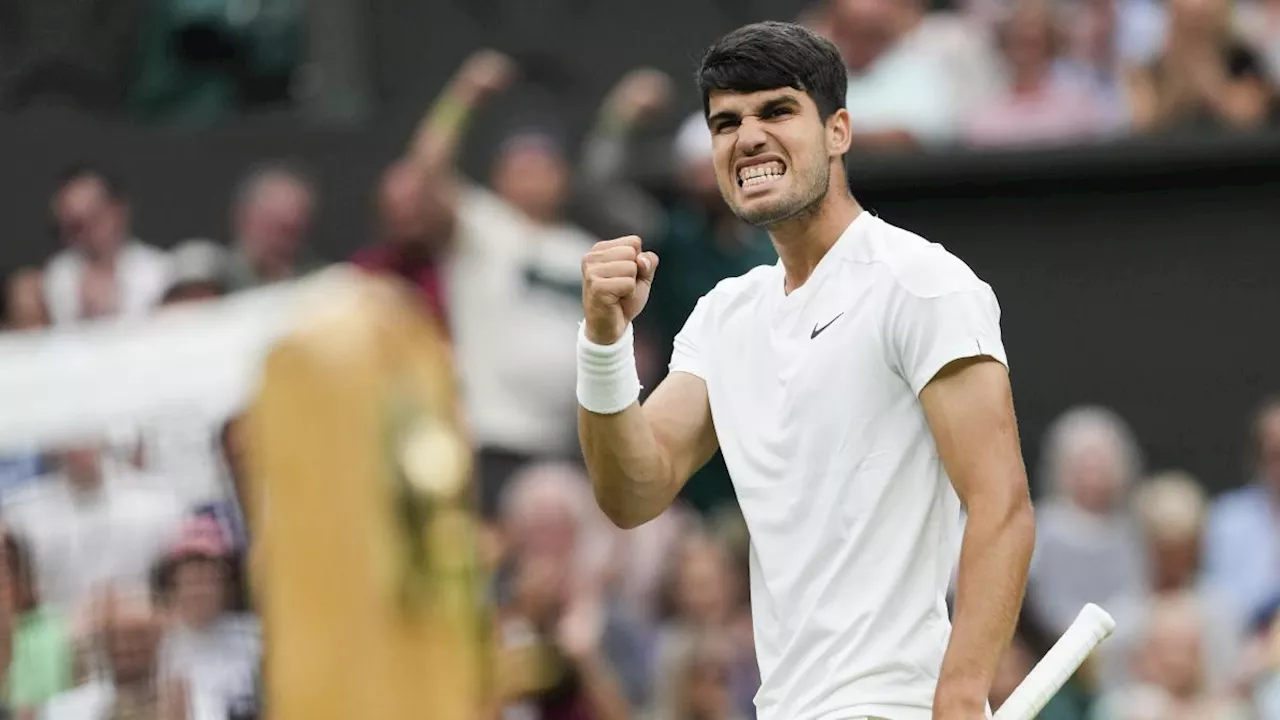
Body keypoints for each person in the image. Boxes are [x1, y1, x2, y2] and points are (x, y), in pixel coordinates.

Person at [576, 21, 1035, 720]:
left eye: (777, 111)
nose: (748, 137)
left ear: (838, 131)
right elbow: (632, 490)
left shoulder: (921, 283)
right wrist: (604, 346)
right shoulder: (725, 315)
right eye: (725, 122)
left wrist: (962, 693)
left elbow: (1001, 505)